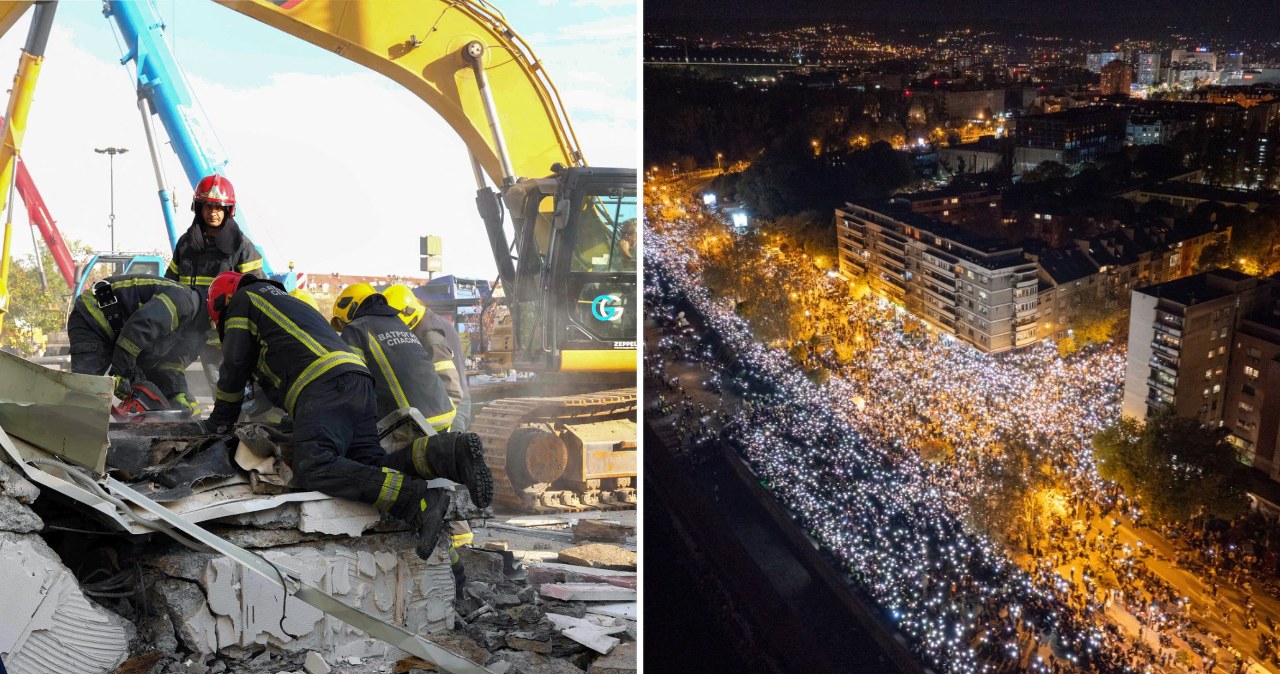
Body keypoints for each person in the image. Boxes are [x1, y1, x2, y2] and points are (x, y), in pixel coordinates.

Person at [203, 271, 491, 559]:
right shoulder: (288, 304)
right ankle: (449, 452)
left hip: (324, 384)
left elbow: (234, 366)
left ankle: (415, 500)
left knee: (313, 465)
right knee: (367, 464)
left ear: (223, 302)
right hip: (358, 382)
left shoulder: (243, 299)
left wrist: (219, 423)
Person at [335, 284, 476, 596]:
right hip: (438, 415)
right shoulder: (399, 325)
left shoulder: (357, 330)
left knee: (392, 480)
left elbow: (351, 383)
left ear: (347, 311)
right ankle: (459, 571)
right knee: (438, 486)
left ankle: (450, 566)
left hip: (409, 420)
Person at [165, 175, 265, 383]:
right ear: (198, 208)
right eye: (208, 207)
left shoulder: (241, 246)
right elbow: (170, 285)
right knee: (166, 368)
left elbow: (256, 290)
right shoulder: (186, 244)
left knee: (222, 385)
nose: (213, 213)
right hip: (190, 327)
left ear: (229, 210)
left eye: (219, 208)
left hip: (224, 334)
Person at [66, 274, 206, 416]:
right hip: (93, 316)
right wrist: (121, 372)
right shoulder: (182, 300)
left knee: (142, 389)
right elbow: (139, 327)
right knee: (85, 389)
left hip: (118, 330)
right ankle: (65, 427)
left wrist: (177, 394)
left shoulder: (194, 330)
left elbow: (169, 365)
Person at [382, 284, 472, 431]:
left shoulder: (429, 334)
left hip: (451, 405)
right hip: (449, 401)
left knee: (447, 452)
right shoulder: (428, 321)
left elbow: (452, 389)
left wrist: (441, 424)